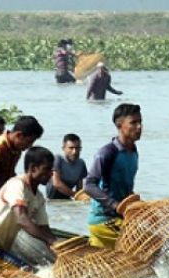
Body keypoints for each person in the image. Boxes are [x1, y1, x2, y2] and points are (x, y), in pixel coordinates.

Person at [0, 147, 58, 271]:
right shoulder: (16, 185)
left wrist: (59, 247)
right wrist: (50, 240)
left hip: (0, 252)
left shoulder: (39, 198)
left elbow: (44, 229)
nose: (50, 174)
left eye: (51, 170)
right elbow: (22, 219)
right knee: (31, 276)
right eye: (46, 169)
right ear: (33, 168)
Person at [85, 103, 142, 249]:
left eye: (140, 122)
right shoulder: (107, 153)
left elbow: (125, 188)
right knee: (145, 243)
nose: (139, 127)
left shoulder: (133, 152)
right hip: (104, 220)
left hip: (119, 218)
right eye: (133, 123)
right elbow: (89, 185)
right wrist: (115, 205)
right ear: (119, 125)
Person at [45, 133, 88, 199]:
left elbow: (79, 188)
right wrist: (75, 195)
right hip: (53, 200)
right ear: (63, 148)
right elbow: (56, 183)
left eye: (77, 148)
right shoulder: (58, 159)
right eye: (71, 148)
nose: (74, 152)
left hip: (68, 199)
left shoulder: (81, 163)